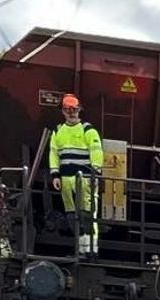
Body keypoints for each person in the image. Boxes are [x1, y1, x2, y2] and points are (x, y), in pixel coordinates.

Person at [49, 94, 104, 256]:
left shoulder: (88, 130)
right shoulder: (58, 131)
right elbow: (53, 154)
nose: (71, 113)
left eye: (74, 110)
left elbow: (97, 153)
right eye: (68, 110)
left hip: (85, 179)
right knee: (72, 216)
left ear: (79, 110)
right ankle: (81, 249)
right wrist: (55, 175)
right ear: (63, 111)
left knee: (87, 214)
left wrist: (95, 174)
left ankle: (91, 250)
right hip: (65, 180)